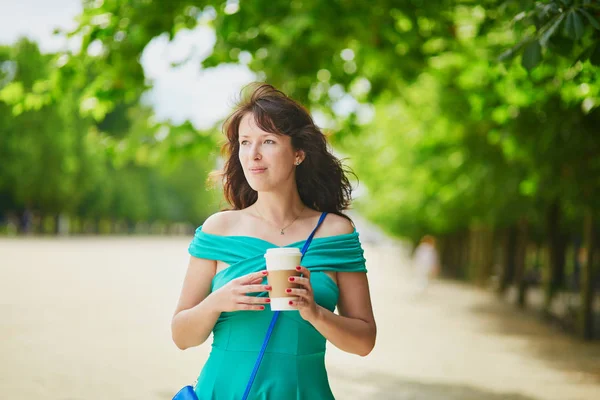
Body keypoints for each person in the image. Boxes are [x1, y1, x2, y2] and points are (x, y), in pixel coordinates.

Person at [171, 83, 377, 399]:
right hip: (223, 391)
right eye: (244, 142)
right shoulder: (219, 229)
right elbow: (182, 336)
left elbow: (364, 342)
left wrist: (315, 312)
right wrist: (218, 301)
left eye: (267, 141)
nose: (253, 154)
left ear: (298, 153)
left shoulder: (336, 232)